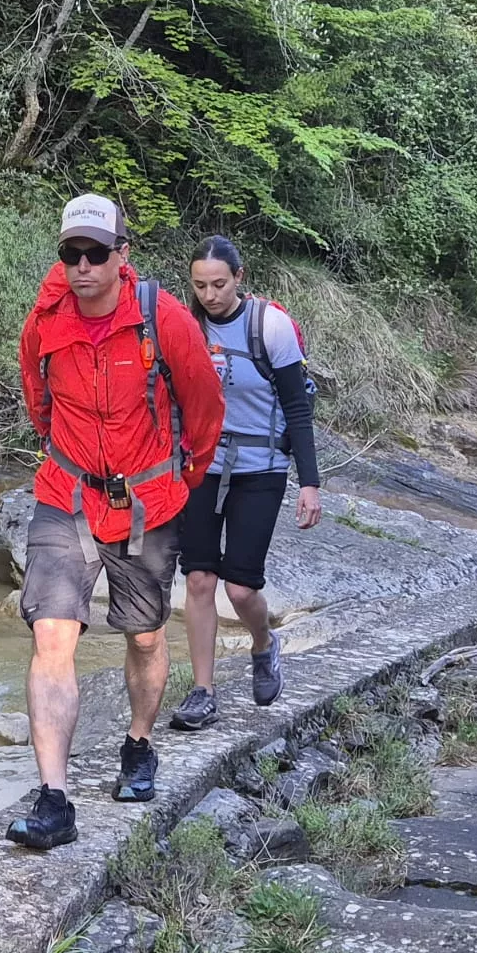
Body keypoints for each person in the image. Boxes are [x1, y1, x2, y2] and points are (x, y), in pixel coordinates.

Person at [4, 195, 225, 850]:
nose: (82, 266)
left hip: (147, 505)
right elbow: (37, 401)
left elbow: (204, 409)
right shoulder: (43, 321)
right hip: (66, 495)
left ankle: (138, 744)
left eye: (96, 253)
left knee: (147, 638)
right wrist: (69, 459)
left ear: (121, 256)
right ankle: (55, 798)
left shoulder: (165, 320)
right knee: (52, 635)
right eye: (71, 254)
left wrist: (175, 481)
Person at [168, 235, 321, 731]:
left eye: (218, 284)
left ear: (239, 277)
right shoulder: (185, 325)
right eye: (200, 285)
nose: (209, 295)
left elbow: (297, 406)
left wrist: (309, 482)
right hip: (201, 465)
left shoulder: (269, 327)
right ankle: (202, 691)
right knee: (198, 579)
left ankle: (262, 642)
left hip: (261, 467)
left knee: (239, 588)